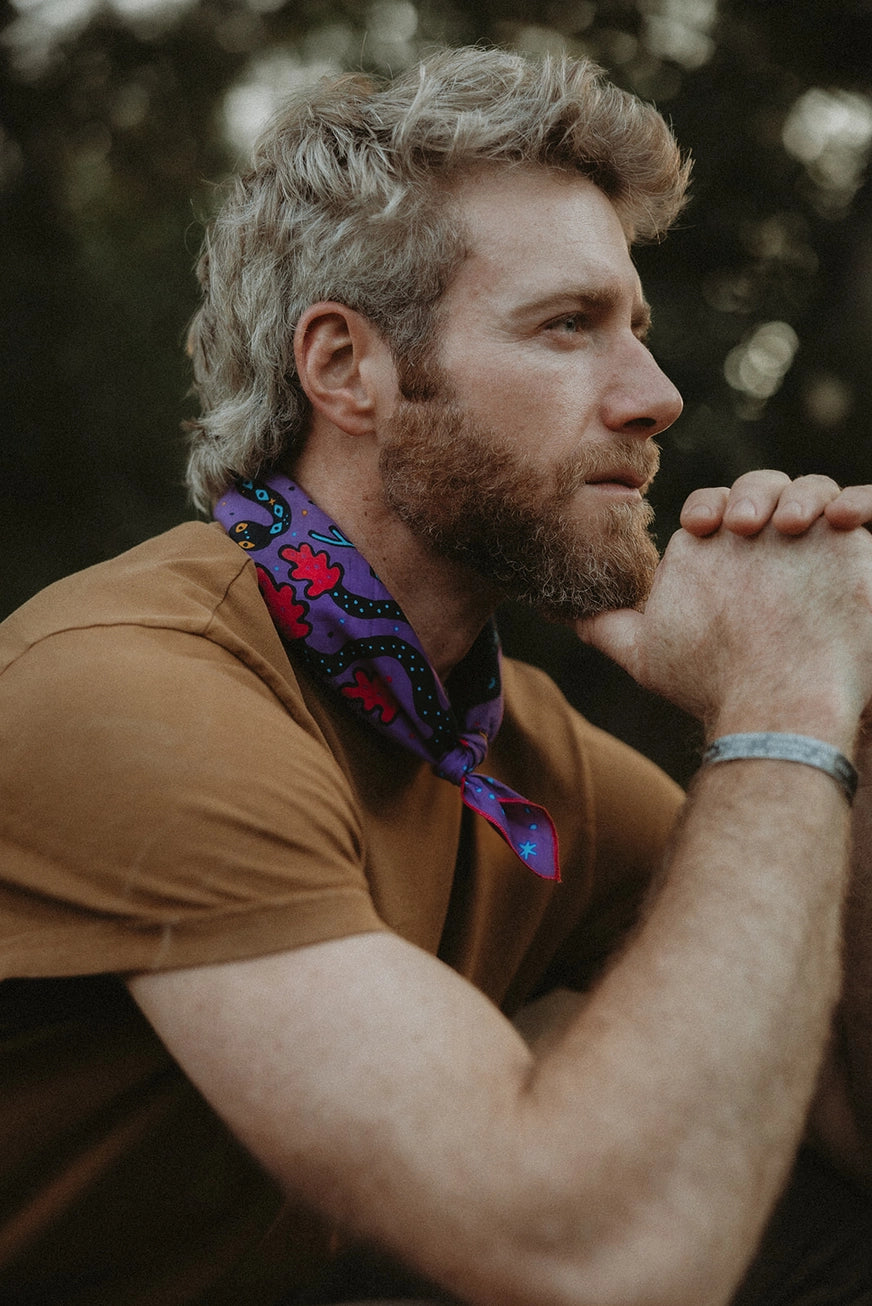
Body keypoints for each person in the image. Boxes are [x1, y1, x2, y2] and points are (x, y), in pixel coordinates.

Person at [2, 45, 872, 1306]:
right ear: (347, 368)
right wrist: (778, 708)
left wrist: (847, 684)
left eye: (637, 330)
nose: (656, 396)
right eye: (567, 326)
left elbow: (842, 1096)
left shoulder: (503, 742)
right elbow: (595, 1257)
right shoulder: (130, 695)